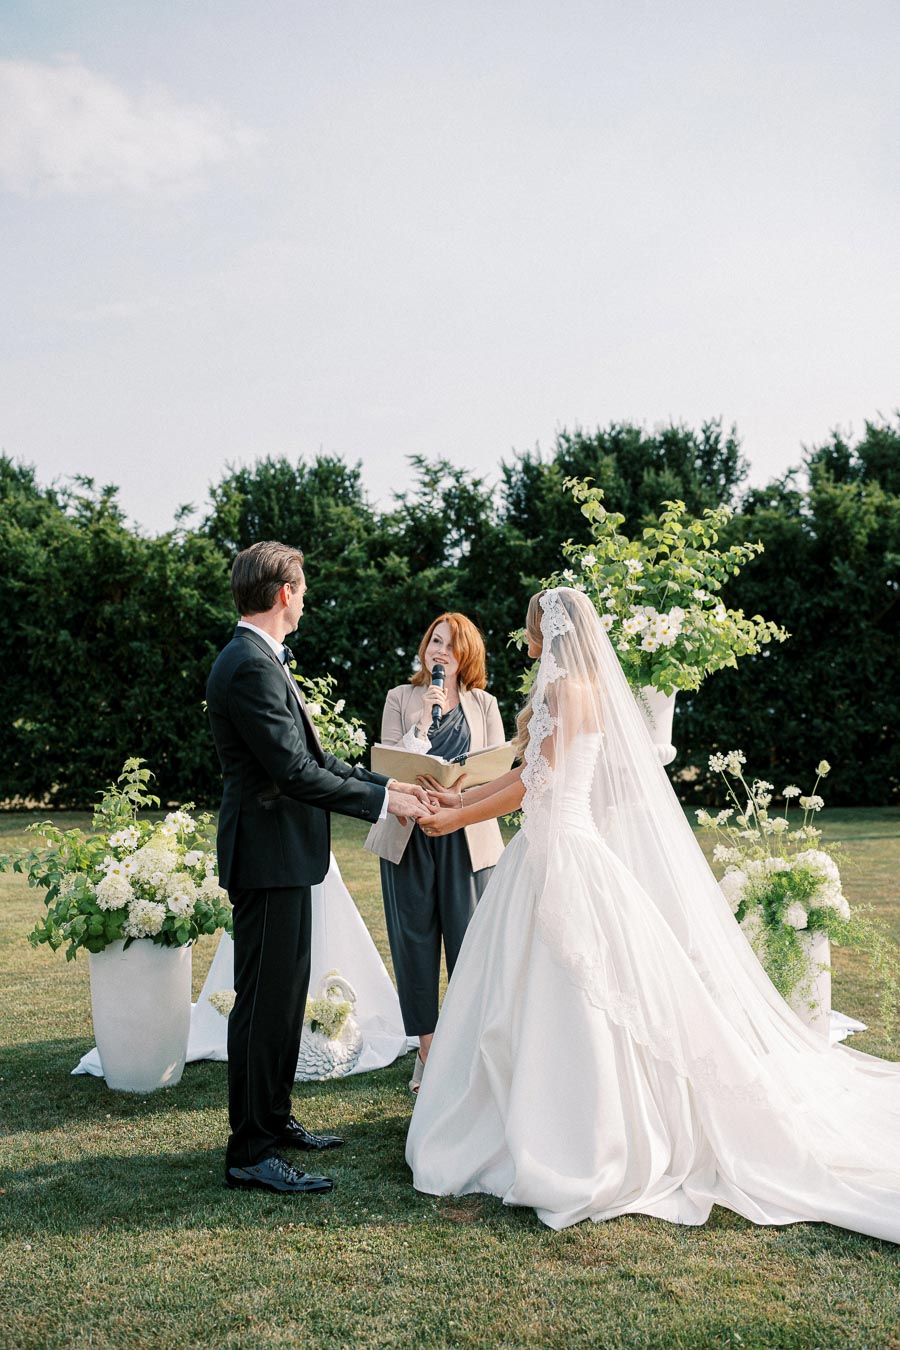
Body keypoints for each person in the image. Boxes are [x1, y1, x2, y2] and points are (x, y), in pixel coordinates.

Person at [407, 587, 900, 1241]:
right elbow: (526, 771)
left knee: (569, 993)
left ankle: (577, 1133)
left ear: (549, 631)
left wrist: (453, 817)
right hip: (555, 849)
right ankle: (554, 1114)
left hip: (562, 856)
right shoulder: (578, 689)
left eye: (530, 630)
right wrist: (457, 799)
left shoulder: (561, 692)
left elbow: (534, 787)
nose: (525, 641)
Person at [206, 540, 433, 1196]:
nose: (304, 600)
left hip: (283, 858)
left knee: (280, 1001)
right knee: (263, 1005)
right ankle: (250, 1150)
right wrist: (386, 800)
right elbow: (293, 773)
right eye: (301, 590)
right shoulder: (248, 665)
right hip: (267, 858)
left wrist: (390, 785)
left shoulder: (259, 659)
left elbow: (318, 759)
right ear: (283, 594)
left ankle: (273, 1122)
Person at [365, 613, 505, 1092]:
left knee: (470, 947)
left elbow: (499, 769)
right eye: (434, 642)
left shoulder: (485, 705)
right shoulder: (400, 699)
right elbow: (384, 763)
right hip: (408, 833)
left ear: (467, 654)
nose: (439, 652)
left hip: (466, 836)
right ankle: (427, 1052)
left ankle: (466, 1049)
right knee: (415, 944)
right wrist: (424, 718)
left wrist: (463, 788)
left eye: (449, 645)